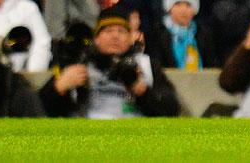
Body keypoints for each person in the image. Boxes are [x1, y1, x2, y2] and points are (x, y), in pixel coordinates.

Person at [38, 7, 180, 118]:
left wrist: (143, 91)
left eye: (121, 31)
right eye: (108, 31)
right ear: (96, 39)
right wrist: (59, 87)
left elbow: (172, 109)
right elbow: (39, 108)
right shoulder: (78, 63)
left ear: (131, 39)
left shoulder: (146, 65)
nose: (115, 36)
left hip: (134, 134)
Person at [156, 0, 215, 69]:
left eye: (188, 5)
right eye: (178, 4)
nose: (183, 10)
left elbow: (212, 64)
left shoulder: (203, 33)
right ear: (169, 7)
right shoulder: (158, 33)